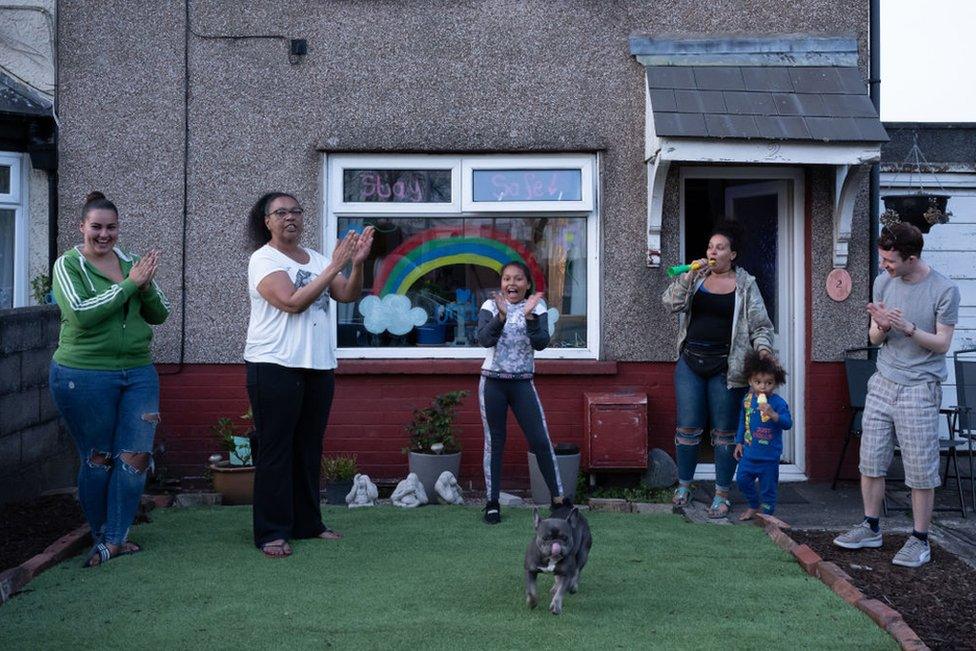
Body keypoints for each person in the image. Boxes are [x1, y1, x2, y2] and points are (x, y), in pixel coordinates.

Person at [244, 192, 373, 558]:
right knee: (275, 451)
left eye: (296, 211)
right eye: (280, 212)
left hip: (317, 365)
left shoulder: (316, 259)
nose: (290, 218)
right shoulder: (263, 259)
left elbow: (346, 294)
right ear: (266, 221)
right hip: (273, 365)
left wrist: (357, 264)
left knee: (308, 449)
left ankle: (307, 523)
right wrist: (334, 265)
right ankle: (271, 531)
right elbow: (291, 301)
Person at [49, 191, 170, 567]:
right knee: (98, 458)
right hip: (83, 374)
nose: (104, 234)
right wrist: (131, 285)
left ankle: (116, 538)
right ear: (81, 226)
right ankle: (101, 534)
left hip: (137, 373)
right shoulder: (68, 265)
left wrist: (145, 286)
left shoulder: (132, 263)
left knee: (134, 458)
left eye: (111, 227)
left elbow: (161, 314)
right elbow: (83, 314)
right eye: (96, 227)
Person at [833, 222, 960, 568]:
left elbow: (943, 343)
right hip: (883, 380)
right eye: (883, 259)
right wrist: (883, 327)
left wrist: (909, 328)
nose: (884, 266)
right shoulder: (883, 282)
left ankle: (920, 539)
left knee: (920, 468)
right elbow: (874, 338)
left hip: (920, 386)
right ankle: (870, 527)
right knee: (871, 460)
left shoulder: (944, 290)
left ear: (912, 258)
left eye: (890, 260)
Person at [662, 220, 775, 518]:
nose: (713, 251)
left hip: (727, 366)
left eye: (720, 247)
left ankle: (722, 494)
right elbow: (670, 303)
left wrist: (764, 351)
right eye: (710, 246)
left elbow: (761, 326)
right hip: (690, 361)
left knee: (724, 434)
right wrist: (687, 277)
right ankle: (684, 486)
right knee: (687, 428)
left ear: (733, 254)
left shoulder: (746, 285)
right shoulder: (696, 279)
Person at [476, 261, 567, 524]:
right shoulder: (490, 306)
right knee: (495, 443)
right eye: (506, 279)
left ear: (527, 284)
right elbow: (484, 339)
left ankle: (559, 500)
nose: (511, 284)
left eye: (517, 279)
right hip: (493, 383)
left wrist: (528, 318)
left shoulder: (537, 307)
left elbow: (541, 343)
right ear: (501, 283)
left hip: (522, 384)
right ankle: (492, 504)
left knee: (540, 440)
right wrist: (501, 317)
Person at [734, 350, 792, 520]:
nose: (762, 387)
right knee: (742, 480)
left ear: (776, 383)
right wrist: (739, 442)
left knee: (768, 488)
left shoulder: (779, 403)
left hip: (769, 457)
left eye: (768, 383)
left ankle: (767, 515)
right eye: (757, 382)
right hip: (749, 453)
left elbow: (788, 424)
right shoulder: (747, 400)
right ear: (750, 381)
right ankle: (753, 504)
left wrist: (774, 415)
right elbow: (742, 422)